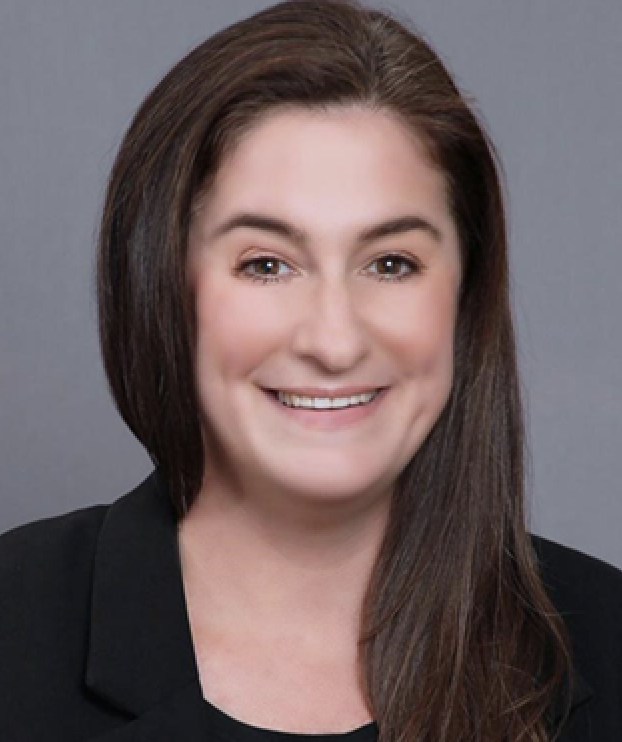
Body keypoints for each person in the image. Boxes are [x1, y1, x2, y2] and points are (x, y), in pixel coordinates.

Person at [1, 0, 620, 740]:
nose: (334, 340)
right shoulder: (15, 626)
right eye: (266, 264)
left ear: (465, 293)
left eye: (392, 264)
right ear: (162, 285)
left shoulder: (608, 643)